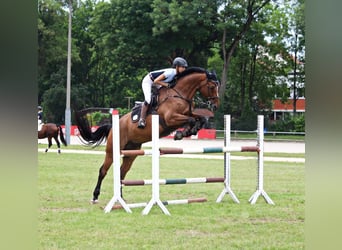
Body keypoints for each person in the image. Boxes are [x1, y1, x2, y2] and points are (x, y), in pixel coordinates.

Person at [137, 57, 188, 129]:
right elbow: (155, 81)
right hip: (149, 81)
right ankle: (142, 119)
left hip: (158, 82)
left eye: (185, 67)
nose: (184, 69)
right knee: (148, 99)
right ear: (177, 67)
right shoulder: (170, 73)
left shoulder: (177, 75)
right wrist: (167, 85)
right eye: (182, 67)